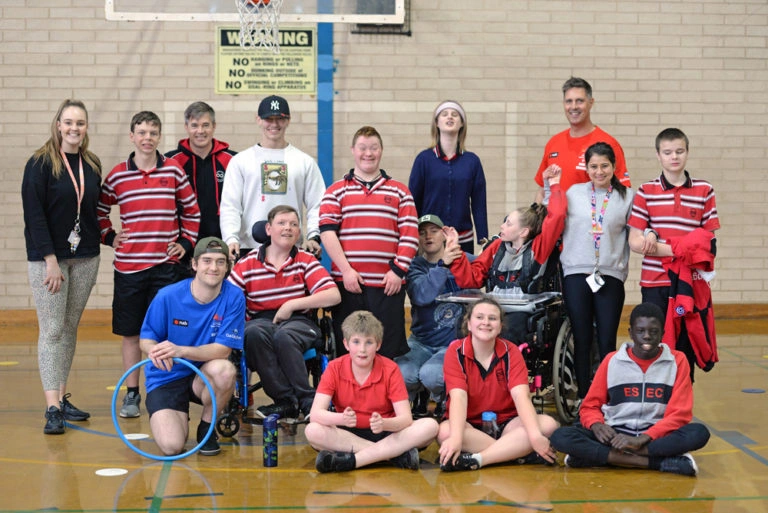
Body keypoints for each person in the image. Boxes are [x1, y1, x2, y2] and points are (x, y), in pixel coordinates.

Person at [97, 111, 200, 419]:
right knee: (131, 334)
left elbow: (192, 211)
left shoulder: (173, 170)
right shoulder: (118, 175)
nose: (147, 138)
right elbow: (99, 211)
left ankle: (167, 391)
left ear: (159, 136)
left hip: (165, 268)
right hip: (128, 269)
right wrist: (110, 236)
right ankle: (132, 393)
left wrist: (185, 243)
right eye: (141, 132)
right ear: (132, 136)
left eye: (153, 133)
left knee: (166, 333)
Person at [549, 303, 711, 477]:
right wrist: (597, 424)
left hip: (655, 435)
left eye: (654, 331)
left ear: (663, 334)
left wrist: (641, 439)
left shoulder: (677, 361)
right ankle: (656, 463)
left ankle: (603, 458)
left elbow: (680, 414)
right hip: (615, 434)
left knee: (698, 433)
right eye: (640, 331)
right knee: (561, 436)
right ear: (631, 333)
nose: (647, 336)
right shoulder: (612, 360)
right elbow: (590, 406)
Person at [22, 99, 103, 434]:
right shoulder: (40, 163)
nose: (74, 128)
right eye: (68, 122)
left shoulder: (91, 163)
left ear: (86, 127)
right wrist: (50, 260)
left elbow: (93, 211)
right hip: (49, 260)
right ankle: (52, 407)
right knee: (53, 330)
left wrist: (111, 238)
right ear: (58, 125)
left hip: (85, 257)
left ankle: (61, 395)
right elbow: (34, 216)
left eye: (80, 123)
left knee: (69, 329)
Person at [228, 205, 341, 419]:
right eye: (282, 223)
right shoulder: (247, 263)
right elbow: (228, 299)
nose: (288, 228)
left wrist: (291, 305)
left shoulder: (305, 260)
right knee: (252, 333)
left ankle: (308, 402)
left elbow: (333, 295)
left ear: (298, 232)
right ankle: (285, 401)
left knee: (284, 335)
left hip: (300, 321)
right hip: (261, 322)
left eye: (293, 224)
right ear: (268, 229)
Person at [319, 126, 419, 359]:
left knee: (387, 350)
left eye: (374, 148)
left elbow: (410, 235)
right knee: (348, 350)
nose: (368, 153)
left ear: (381, 150)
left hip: (388, 284)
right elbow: (327, 234)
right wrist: (346, 271)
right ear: (353, 150)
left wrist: (398, 271)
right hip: (348, 283)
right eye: (363, 148)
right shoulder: (335, 191)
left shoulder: (400, 192)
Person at [628, 128, 720, 380]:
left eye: (679, 151)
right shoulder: (646, 191)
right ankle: (655, 397)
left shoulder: (704, 190)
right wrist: (683, 249)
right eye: (667, 152)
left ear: (687, 152)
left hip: (688, 286)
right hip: (655, 284)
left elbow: (709, 245)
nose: (674, 157)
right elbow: (635, 241)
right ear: (658, 155)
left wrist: (660, 247)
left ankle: (683, 397)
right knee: (653, 342)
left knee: (685, 345)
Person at [139, 237, 245, 456]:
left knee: (225, 370)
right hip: (167, 376)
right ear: (195, 264)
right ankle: (175, 413)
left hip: (203, 376)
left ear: (227, 267)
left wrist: (181, 350)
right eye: (207, 261)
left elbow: (223, 350)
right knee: (172, 447)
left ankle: (206, 428)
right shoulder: (168, 296)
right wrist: (155, 351)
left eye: (220, 262)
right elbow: (146, 340)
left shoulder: (234, 296)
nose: (213, 268)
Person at [304, 311, 439, 473]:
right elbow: (316, 414)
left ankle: (353, 461)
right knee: (312, 430)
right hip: (348, 435)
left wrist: (384, 423)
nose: (362, 349)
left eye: (369, 342)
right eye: (356, 342)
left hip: (387, 433)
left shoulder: (390, 369)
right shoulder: (334, 368)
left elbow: (405, 419)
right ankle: (393, 456)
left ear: (378, 345)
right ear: (346, 344)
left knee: (430, 426)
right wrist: (341, 419)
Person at [437, 297, 558, 471]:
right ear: (469, 324)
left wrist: (534, 436)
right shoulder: (455, 351)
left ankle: (480, 458)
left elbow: (521, 396)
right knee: (445, 432)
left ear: (500, 327)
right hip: (470, 424)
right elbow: (458, 397)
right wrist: (456, 438)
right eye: (479, 317)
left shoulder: (511, 351)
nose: (486, 322)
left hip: (507, 423)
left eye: (492, 318)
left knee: (548, 425)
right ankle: (514, 453)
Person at [444, 169, 564, 343]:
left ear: (523, 232)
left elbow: (557, 216)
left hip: (522, 312)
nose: (502, 226)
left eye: (508, 223)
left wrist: (553, 185)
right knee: (464, 324)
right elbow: (471, 280)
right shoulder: (496, 247)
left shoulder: (538, 248)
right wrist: (456, 253)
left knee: (508, 329)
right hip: (493, 308)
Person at [560, 142, 634, 401]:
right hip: (576, 273)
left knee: (606, 341)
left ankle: (607, 398)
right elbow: (553, 216)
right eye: (593, 166)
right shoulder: (574, 193)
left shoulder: (627, 197)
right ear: (587, 168)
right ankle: (584, 398)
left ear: (614, 166)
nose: (599, 171)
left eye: (604, 166)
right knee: (581, 339)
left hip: (610, 275)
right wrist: (549, 187)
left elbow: (637, 230)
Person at [219, 95, 325, 260]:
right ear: (258, 120)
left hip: (291, 247)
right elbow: (230, 205)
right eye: (269, 119)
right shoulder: (241, 161)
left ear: (288, 120)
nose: (274, 124)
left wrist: (314, 236)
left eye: (280, 119)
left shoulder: (304, 162)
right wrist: (231, 238)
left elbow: (318, 204)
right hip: (249, 248)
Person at [394, 214, 470, 416]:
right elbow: (422, 296)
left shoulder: (464, 260)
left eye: (434, 231)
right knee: (401, 373)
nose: (428, 236)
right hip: (421, 342)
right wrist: (443, 265)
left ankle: (444, 399)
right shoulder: (414, 266)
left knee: (432, 375)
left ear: (444, 234)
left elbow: (485, 272)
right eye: (422, 232)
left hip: (452, 344)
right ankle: (419, 394)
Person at [408, 100, 488, 253]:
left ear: (462, 123)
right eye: (444, 114)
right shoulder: (423, 159)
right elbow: (413, 201)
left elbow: (479, 203)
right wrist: (410, 236)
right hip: (429, 240)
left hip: (462, 239)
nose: (450, 117)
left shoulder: (472, 161)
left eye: (455, 114)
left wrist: (484, 239)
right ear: (436, 123)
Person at [534, 77, 630, 204]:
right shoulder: (554, 143)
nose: (574, 106)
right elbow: (542, 191)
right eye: (569, 101)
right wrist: (534, 215)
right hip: (555, 217)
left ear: (591, 102)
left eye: (579, 101)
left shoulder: (608, 144)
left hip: (593, 216)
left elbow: (622, 194)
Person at [165, 101, 237, 242]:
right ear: (186, 127)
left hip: (223, 239)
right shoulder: (171, 161)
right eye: (194, 125)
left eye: (205, 125)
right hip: (182, 242)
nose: (200, 131)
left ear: (214, 126)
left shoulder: (233, 160)